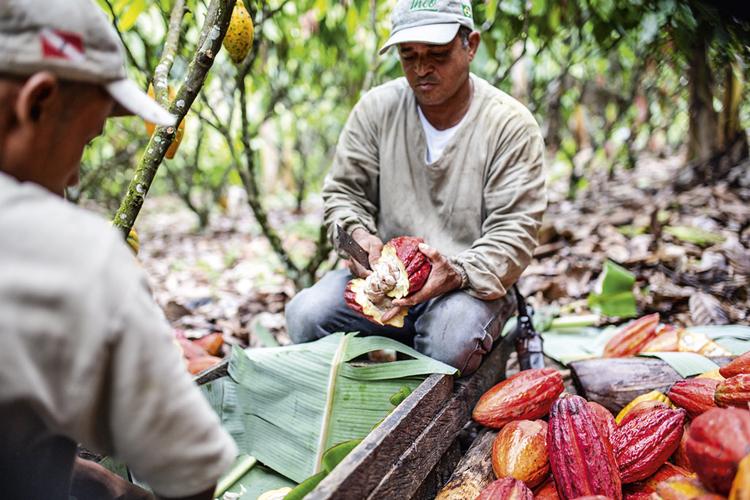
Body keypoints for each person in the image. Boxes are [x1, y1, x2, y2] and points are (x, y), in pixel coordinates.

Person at [0, 0, 237, 498]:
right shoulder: (71, 256)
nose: (76, 176)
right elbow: (193, 478)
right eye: (87, 141)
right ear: (37, 103)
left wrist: (104, 486)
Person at [285, 0, 547, 376]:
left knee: (450, 341)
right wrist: (356, 239)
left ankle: (440, 376)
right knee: (306, 315)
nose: (422, 68)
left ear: (470, 46)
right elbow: (342, 195)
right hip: (386, 280)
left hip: (467, 285)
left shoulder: (509, 126)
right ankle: (362, 393)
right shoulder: (376, 110)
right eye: (409, 56)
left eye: (438, 55)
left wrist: (456, 272)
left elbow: (514, 234)